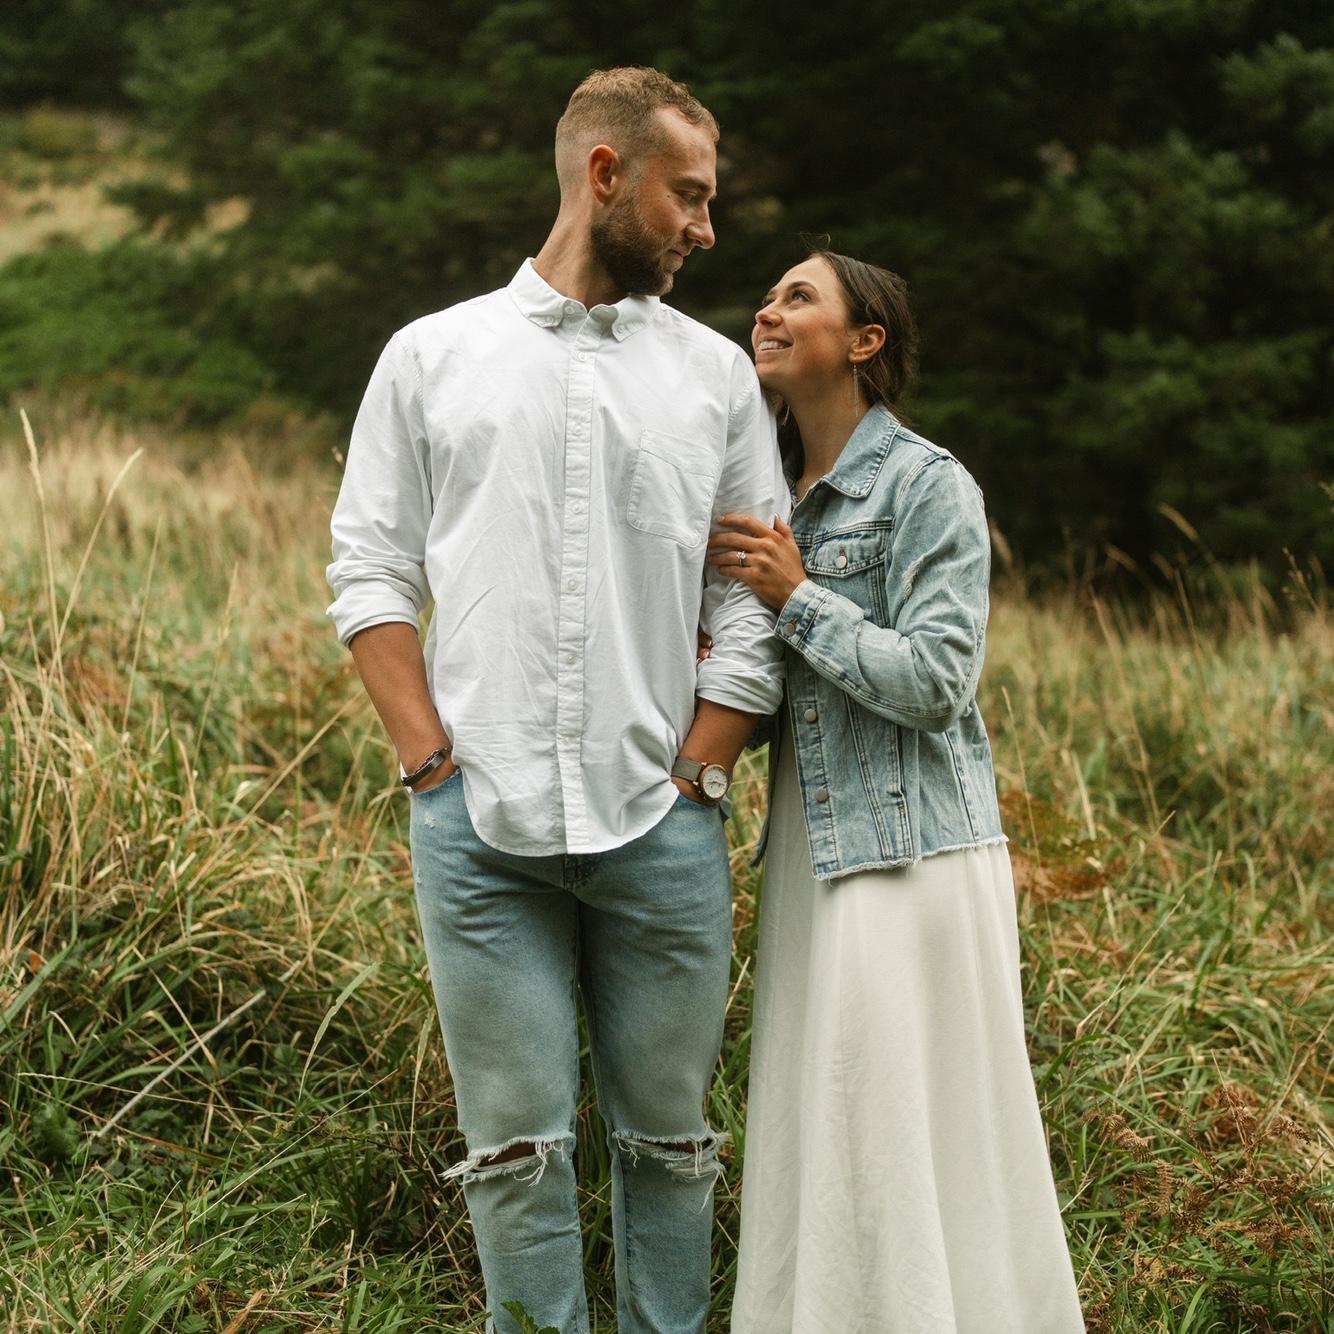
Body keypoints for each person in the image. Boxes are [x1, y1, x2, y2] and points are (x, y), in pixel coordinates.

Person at [325, 68, 786, 1334]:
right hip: (479, 835)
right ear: (604, 175)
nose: (705, 227)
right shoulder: (430, 356)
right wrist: (430, 766)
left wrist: (700, 769)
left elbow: (751, 591)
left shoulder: (712, 377)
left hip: (664, 823)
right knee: (515, 1157)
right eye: (687, 196)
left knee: (671, 1151)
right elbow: (368, 568)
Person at [709, 250, 1086, 1332]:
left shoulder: (927, 484)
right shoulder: (768, 495)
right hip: (813, 854)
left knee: (904, 1123)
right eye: (769, 296)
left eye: (797, 297)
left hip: (911, 852)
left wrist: (796, 595)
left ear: (862, 341)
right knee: (823, 1118)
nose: (766, 309)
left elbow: (932, 680)